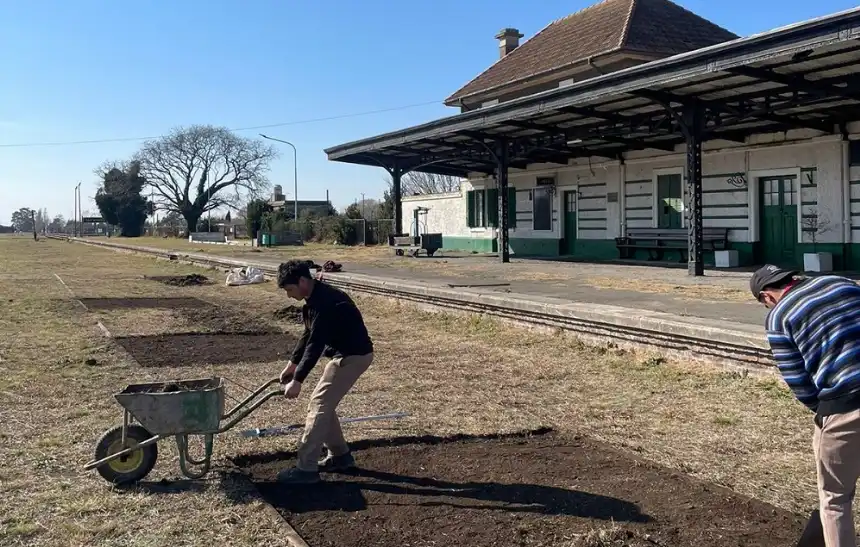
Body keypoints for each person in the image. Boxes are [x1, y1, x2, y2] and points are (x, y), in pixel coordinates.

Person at [751, 264, 860, 546]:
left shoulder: (778, 317)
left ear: (767, 297)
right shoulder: (841, 282)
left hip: (844, 404)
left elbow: (799, 381)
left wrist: (824, 411)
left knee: (835, 500)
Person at [275, 259, 374, 484]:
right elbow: (307, 335)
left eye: (290, 289)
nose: (289, 295)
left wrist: (298, 379)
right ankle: (340, 456)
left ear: (302, 281)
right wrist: (292, 365)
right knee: (323, 404)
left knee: (319, 405)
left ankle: (306, 468)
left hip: (353, 356)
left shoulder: (325, 302)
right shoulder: (314, 300)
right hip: (343, 355)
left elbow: (316, 344)